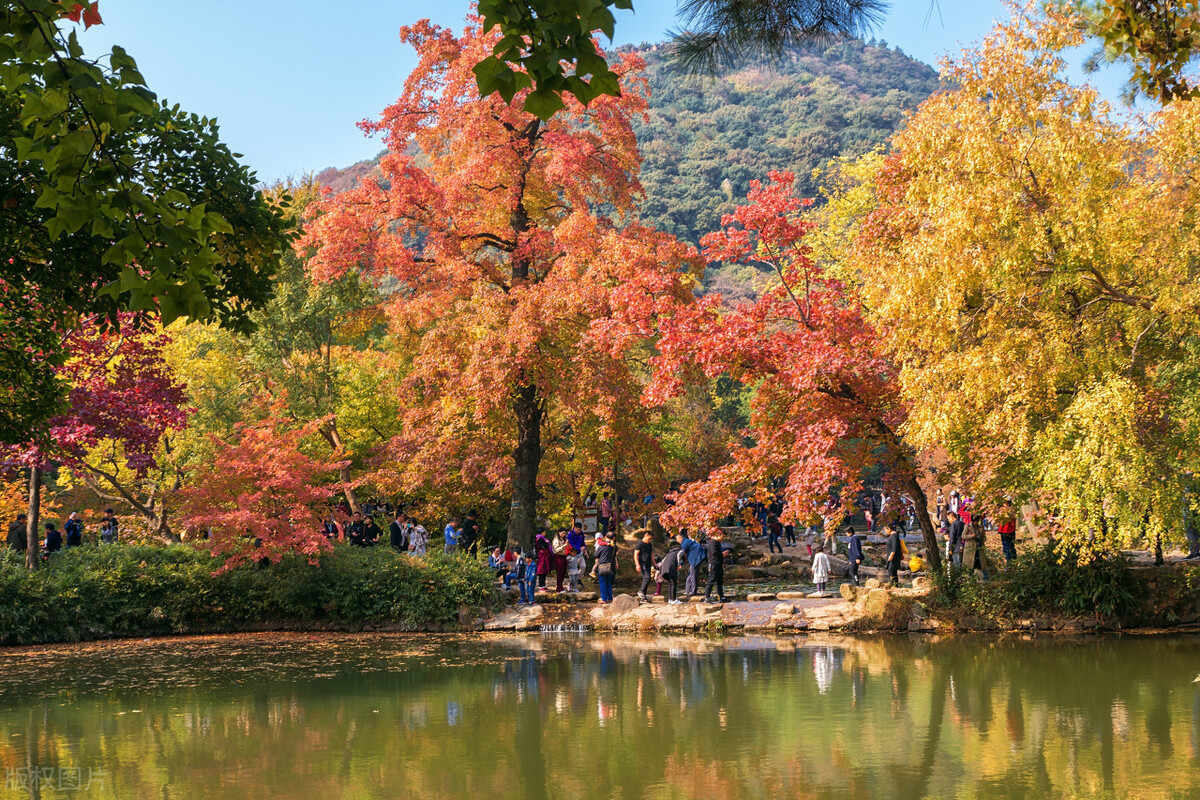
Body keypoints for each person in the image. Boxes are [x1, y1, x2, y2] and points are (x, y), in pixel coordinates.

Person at [677, 529, 704, 599]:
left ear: (680, 538)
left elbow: (682, 554)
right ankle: (688, 590)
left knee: (693, 575)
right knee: (690, 574)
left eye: (677, 539)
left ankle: (693, 591)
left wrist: (679, 563)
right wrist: (681, 563)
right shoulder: (687, 541)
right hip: (694, 557)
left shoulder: (685, 542)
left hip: (696, 558)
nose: (677, 541)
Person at [592, 533, 617, 603]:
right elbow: (614, 555)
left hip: (603, 566)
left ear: (605, 537)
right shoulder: (614, 546)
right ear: (613, 538)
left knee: (602, 582)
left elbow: (595, 554)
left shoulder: (602, 546)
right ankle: (610, 598)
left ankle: (604, 599)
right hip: (610, 566)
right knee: (609, 582)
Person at [704, 529, 726, 602]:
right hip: (714, 563)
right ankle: (707, 597)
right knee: (711, 579)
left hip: (718, 563)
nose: (723, 539)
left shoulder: (717, 542)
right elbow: (714, 552)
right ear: (719, 535)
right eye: (723, 537)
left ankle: (722, 597)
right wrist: (722, 554)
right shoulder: (713, 542)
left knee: (719, 581)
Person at [634, 531, 655, 601]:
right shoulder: (640, 544)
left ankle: (643, 596)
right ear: (645, 536)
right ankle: (641, 591)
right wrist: (637, 565)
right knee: (647, 577)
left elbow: (651, 554)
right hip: (642, 563)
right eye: (649, 538)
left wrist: (654, 563)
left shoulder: (649, 544)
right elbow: (636, 555)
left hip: (648, 563)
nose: (650, 540)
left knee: (647, 579)